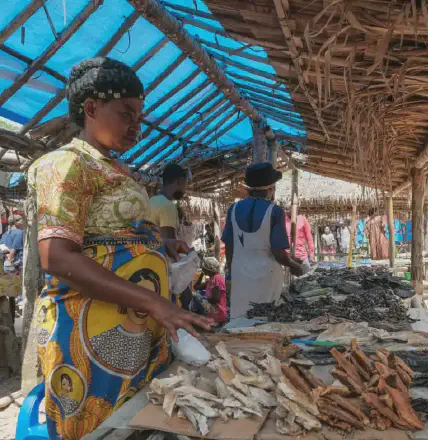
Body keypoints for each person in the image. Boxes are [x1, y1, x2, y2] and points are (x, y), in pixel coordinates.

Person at [24, 57, 212, 439]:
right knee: (101, 428)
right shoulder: (65, 165)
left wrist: (162, 243)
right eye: (127, 115)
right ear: (91, 109)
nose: (136, 128)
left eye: (139, 117)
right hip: (90, 335)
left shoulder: (115, 169)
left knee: (138, 424)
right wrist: (156, 304)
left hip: (134, 328)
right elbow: (57, 256)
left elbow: (114, 233)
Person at [222, 163, 303, 319]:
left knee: (241, 319)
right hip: (267, 275)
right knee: (266, 318)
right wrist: (294, 265)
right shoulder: (275, 211)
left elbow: (230, 246)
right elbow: (278, 253)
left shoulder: (233, 209)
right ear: (270, 188)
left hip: (241, 275)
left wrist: (231, 272)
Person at [149, 163, 187, 240]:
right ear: (181, 181)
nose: (185, 191)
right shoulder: (167, 205)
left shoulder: (151, 201)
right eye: (186, 185)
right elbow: (170, 245)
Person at [191, 257, 227, 326]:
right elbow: (196, 287)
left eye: (203, 268)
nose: (202, 268)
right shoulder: (211, 279)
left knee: (195, 295)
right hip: (216, 310)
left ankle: (215, 320)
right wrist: (202, 274)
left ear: (207, 268)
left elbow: (215, 299)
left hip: (219, 310)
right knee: (197, 294)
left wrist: (205, 300)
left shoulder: (216, 279)